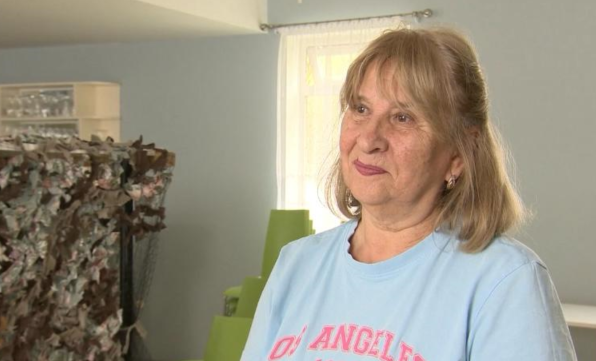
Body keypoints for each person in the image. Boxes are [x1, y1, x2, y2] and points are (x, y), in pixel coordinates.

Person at [242, 27, 577, 361]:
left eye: (402, 117)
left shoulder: (505, 281)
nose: (369, 139)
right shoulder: (296, 264)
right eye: (360, 109)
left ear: (459, 154)